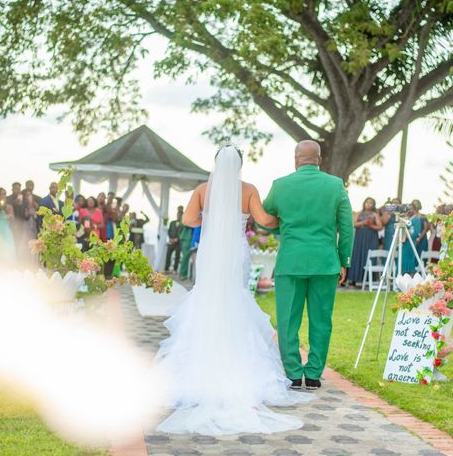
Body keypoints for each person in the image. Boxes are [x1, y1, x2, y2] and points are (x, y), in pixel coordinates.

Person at [156, 145, 312, 436]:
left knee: (207, 297)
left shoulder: (203, 189)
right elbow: (265, 222)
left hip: (211, 250)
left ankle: (197, 367)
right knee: (235, 298)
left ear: (216, 163)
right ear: (240, 165)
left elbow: (188, 220)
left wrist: (211, 221)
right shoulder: (249, 189)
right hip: (234, 252)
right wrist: (282, 219)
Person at [264, 140, 353, 392]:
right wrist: (344, 259)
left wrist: (284, 225)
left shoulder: (280, 185)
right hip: (325, 262)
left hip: (290, 261)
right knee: (321, 320)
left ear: (295, 159)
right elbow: (346, 227)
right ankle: (313, 374)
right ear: (319, 159)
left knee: (287, 321)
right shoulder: (335, 185)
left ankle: (293, 374)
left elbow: (265, 218)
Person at [348, 197, 381, 287]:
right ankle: (353, 279)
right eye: (367, 202)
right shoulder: (358, 213)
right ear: (364, 203)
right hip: (359, 237)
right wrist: (363, 222)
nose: (368, 204)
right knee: (357, 255)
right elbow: (353, 224)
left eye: (371, 203)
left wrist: (371, 225)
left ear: (373, 205)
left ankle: (367, 279)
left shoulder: (375, 215)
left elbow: (380, 227)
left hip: (371, 237)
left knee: (369, 256)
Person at [401, 202, 425, 275]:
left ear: (414, 210)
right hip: (403, 243)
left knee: (410, 259)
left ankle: (409, 276)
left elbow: (416, 232)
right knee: (402, 259)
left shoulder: (416, 220)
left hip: (410, 243)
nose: (409, 211)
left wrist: (407, 235)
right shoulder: (405, 219)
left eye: (411, 209)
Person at [165, 206, 184, 273]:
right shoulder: (172, 222)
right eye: (178, 214)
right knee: (168, 255)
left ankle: (175, 269)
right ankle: (166, 269)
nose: (179, 216)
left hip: (178, 243)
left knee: (177, 256)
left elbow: (182, 232)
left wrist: (177, 239)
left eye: (180, 215)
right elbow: (169, 231)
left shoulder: (183, 224)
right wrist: (170, 238)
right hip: (171, 241)